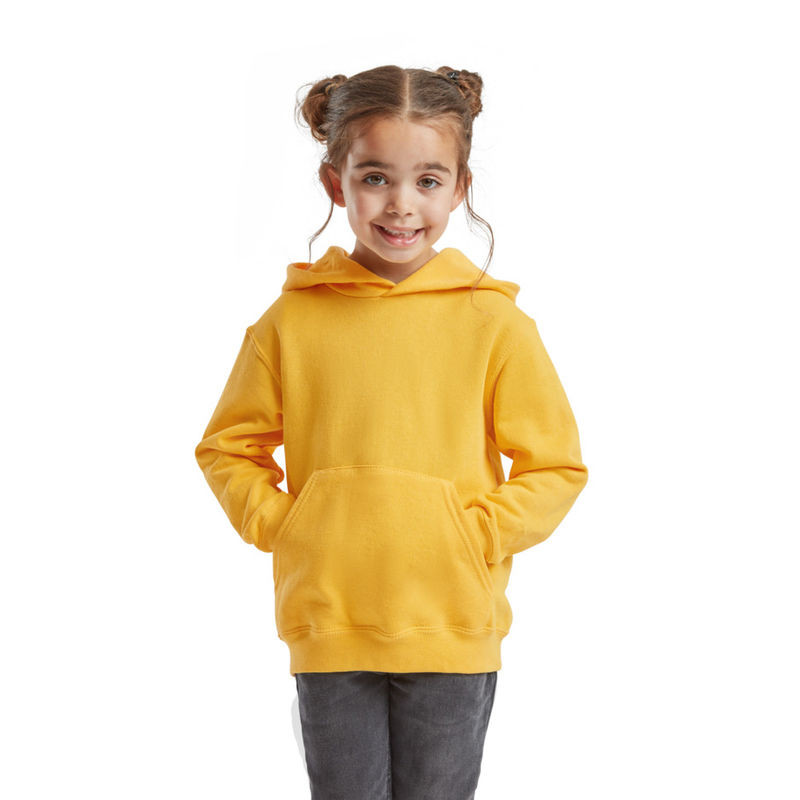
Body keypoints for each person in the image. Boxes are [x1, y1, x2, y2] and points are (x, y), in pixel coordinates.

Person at [194, 64, 589, 800]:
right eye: (375, 177)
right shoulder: (291, 321)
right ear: (336, 183)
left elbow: (555, 467)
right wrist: (290, 527)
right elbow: (228, 448)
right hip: (329, 620)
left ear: (459, 187)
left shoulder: (494, 323)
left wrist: (473, 534)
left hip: (452, 624)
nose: (402, 204)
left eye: (428, 181)